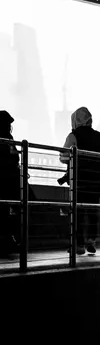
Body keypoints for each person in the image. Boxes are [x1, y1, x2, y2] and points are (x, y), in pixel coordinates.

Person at [58, 107, 100, 255]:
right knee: (92, 211)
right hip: (95, 181)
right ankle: (91, 241)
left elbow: (63, 157)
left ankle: (78, 244)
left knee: (77, 212)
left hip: (79, 180)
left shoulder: (73, 135)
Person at [0, 110, 21, 258]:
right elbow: (15, 157)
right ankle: (7, 243)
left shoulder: (8, 138)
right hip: (7, 180)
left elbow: (15, 157)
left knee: (6, 213)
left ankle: (8, 243)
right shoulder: (7, 138)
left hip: (9, 180)